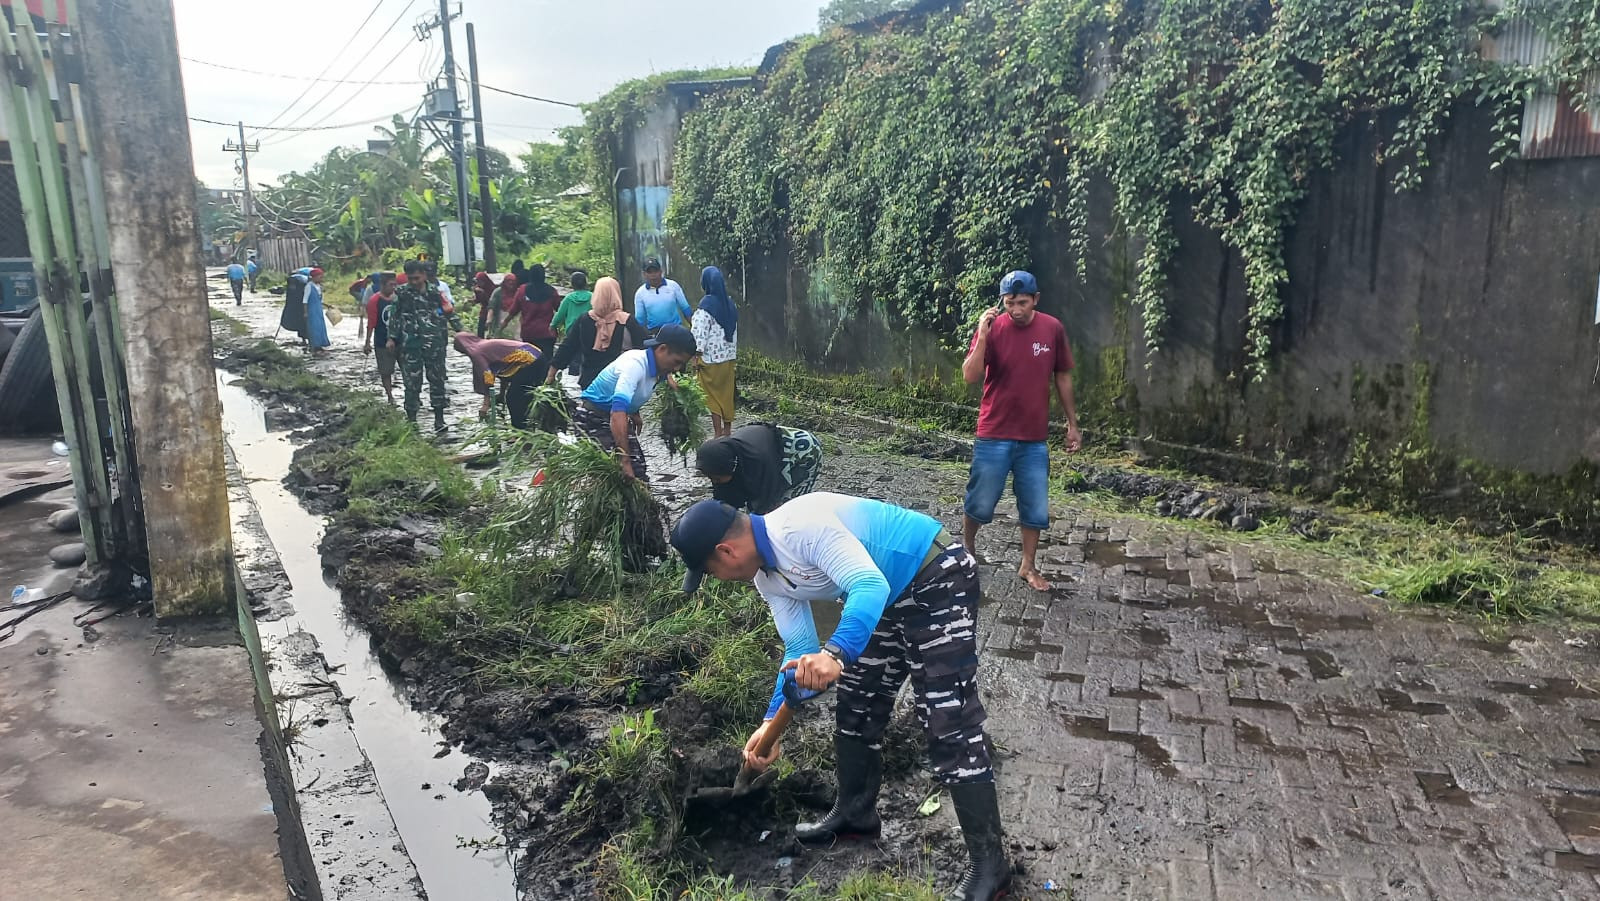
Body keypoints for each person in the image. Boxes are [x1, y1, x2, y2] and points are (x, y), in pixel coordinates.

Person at [670, 494, 1010, 901]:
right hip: (886, 594)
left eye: (711, 570)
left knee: (947, 721)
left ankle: (990, 866)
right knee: (857, 704)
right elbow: (798, 649)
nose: (718, 578)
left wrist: (835, 654)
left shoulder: (798, 527)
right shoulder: (768, 578)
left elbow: (868, 584)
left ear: (726, 551)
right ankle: (855, 813)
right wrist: (770, 723)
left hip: (936, 577)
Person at [961, 270, 1081, 592]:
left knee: (1035, 506)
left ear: (1036, 300)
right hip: (994, 432)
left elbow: (1063, 377)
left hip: (1033, 438)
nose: (1016, 310)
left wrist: (1072, 424)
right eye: (1010, 302)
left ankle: (1027, 566)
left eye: (1023, 303)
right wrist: (982, 335)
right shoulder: (993, 328)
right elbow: (970, 376)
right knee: (981, 502)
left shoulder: (1052, 329)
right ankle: (967, 548)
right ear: (1002, 301)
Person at [573, 322, 696, 482]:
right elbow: (617, 412)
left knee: (638, 470)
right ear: (662, 349)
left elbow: (634, 392)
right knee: (616, 472)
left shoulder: (659, 367)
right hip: (592, 418)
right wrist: (624, 461)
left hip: (615, 416)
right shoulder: (635, 365)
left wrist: (634, 412)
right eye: (676, 362)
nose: (677, 368)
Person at [389, 260, 463, 432]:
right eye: (410, 278)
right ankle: (412, 421)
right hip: (411, 344)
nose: (414, 282)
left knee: (437, 380)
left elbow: (449, 312)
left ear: (424, 275)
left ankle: (439, 419)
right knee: (412, 383)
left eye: (417, 278)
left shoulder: (436, 293)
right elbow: (394, 316)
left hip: (435, 344)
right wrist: (392, 338)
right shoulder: (402, 293)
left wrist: (461, 332)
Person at [695, 424, 823, 515]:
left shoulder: (758, 465)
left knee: (785, 508)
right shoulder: (730, 455)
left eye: (716, 478)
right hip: (770, 446)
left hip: (805, 453)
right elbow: (725, 499)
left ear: (730, 467)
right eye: (711, 478)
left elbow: (765, 501)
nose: (714, 481)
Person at [547, 276, 648, 390]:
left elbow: (567, 347)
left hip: (590, 384)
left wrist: (550, 376)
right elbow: (645, 349)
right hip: (620, 384)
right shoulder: (627, 321)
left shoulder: (585, 320)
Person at [453, 332, 544, 428]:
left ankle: (519, 429)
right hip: (537, 356)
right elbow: (503, 370)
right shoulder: (484, 345)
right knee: (525, 395)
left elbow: (487, 377)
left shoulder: (477, 352)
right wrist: (501, 394)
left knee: (513, 398)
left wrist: (486, 405)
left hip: (530, 361)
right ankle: (532, 425)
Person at [690, 266, 738, 438]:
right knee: (726, 394)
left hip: (710, 360)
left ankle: (717, 433)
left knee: (711, 396)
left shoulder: (706, 307)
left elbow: (699, 334)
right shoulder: (730, 304)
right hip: (728, 359)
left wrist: (695, 355)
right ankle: (727, 430)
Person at [502, 263, 559, 385]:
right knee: (547, 362)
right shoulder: (552, 291)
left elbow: (513, 311)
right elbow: (559, 310)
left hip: (529, 335)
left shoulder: (522, 290)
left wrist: (502, 325)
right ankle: (545, 387)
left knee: (530, 363)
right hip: (548, 335)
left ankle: (531, 387)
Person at [362, 272, 400, 405]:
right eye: (391, 285)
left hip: (399, 340)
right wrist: (367, 343)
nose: (394, 288)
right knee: (386, 371)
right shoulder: (374, 301)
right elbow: (371, 323)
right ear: (382, 285)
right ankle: (390, 395)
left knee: (407, 369)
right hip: (382, 340)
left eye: (395, 285)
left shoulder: (398, 298)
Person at [634, 257, 690, 333]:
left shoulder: (673, 286)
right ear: (644, 274)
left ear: (661, 271)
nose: (653, 275)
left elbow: (686, 309)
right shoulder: (640, 293)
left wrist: (695, 329)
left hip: (675, 330)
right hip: (655, 333)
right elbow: (640, 319)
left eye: (655, 271)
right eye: (649, 272)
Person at [552, 270, 593, 335]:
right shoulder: (592, 296)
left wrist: (553, 325)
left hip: (571, 330)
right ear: (585, 283)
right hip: (589, 329)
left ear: (572, 284)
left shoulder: (569, 298)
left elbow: (560, 314)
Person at [302, 268, 331, 354]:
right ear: (314, 277)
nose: (321, 279)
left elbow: (320, 300)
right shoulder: (308, 286)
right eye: (320, 277)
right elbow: (305, 301)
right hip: (312, 310)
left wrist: (327, 305)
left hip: (318, 309)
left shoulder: (319, 287)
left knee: (320, 327)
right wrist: (305, 312)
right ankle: (314, 346)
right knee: (313, 327)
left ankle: (320, 345)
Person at [279, 268, 310, 345]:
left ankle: (304, 339)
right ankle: (306, 339)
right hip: (301, 307)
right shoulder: (303, 281)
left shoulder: (294, 282)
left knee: (301, 323)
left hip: (296, 306)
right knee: (303, 323)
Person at [471, 271, 496, 337]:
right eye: (478, 281)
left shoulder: (491, 288)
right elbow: (478, 300)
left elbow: (491, 302)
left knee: (490, 330)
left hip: (492, 311)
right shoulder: (479, 288)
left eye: (481, 282)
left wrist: (483, 293)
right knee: (480, 329)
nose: (479, 283)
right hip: (484, 310)